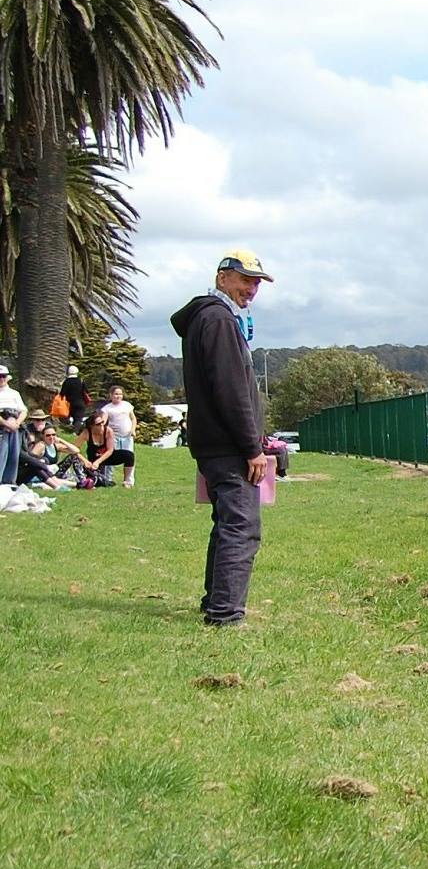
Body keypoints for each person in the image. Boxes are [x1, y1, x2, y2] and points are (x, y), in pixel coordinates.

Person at [171, 248, 273, 628]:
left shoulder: (210, 318)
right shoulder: (218, 320)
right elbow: (231, 390)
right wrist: (253, 448)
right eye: (245, 280)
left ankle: (214, 602)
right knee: (242, 527)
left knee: (227, 523)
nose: (251, 289)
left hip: (215, 444)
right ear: (222, 278)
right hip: (229, 448)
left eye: (256, 283)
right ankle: (226, 614)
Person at [59, 365, 89, 431]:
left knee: (66, 417)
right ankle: (75, 431)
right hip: (80, 403)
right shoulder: (81, 381)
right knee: (78, 419)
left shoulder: (66, 381)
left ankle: (67, 429)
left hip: (69, 404)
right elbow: (86, 391)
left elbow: (62, 393)